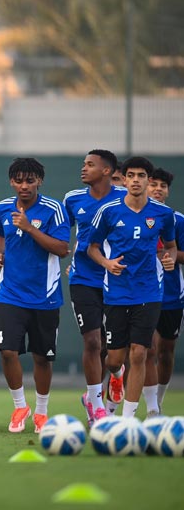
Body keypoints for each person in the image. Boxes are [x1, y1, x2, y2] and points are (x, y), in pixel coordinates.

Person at [88, 157, 176, 418]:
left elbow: (170, 246)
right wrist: (106, 263)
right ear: (124, 180)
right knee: (114, 359)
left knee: (139, 353)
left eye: (141, 175)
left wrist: (169, 258)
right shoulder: (108, 211)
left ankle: (127, 419)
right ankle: (117, 375)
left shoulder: (163, 214)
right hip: (116, 292)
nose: (136, 180)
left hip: (149, 291)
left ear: (148, 181)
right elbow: (92, 248)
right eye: (131, 175)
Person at [0, 158, 69, 434]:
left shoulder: (54, 209)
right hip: (10, 293)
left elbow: (62, 249)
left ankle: (42, 412)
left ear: (39, 181)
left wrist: (30, 228)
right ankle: (20, 407)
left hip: (45, 296)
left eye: (30, 180)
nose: (24, 186)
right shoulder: (2, 208)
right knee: (7, 351)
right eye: (19, 181)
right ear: (11, 182)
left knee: (42, 357)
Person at [62, 149, 126, 426]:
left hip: (118, 281)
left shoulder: (125, 198)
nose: (84, 168)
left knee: (113, 353)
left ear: (107, 171)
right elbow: (62, 234)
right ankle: (96, 404)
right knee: (92, 341)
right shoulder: (73, 199)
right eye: (83, 164)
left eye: (90, 164)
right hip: (83, 280)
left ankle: (117, 373)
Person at [143, 168, 182, 416]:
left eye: (163, 186)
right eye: (153, 184)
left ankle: (159, 400)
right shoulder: (132, 216)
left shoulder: (177, 220)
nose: (158, 189)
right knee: (148, 349)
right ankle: (151, 409)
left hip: (171, 294)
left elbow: (177, 251)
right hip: (143, 293)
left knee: (166, 352)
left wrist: (169, 255)